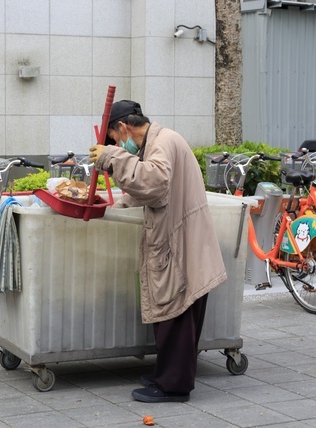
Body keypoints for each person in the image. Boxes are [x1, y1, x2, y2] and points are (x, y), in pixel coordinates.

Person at [89, 99, 226, 403]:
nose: (116, 144)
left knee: (175, 312)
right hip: (185, 237)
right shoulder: (160, 141)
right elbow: (151, 188)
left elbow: (155, 182)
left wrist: (113, 157)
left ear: (123, 127)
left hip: (180, 240)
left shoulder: (162, 143)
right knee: (177, 314)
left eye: (114, 138)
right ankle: (168, 374)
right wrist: (120, 203)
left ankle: (173, 386)